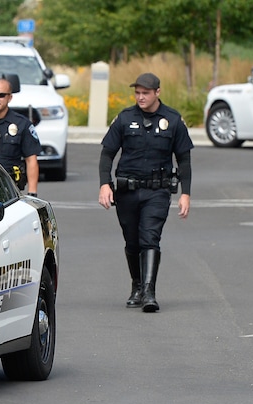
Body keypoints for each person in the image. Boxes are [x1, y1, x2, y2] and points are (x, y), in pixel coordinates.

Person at [98, 72, 193, 313]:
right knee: (132, 241)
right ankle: (137, 286)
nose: (140, 97)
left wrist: (185, 193)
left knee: (150, 237)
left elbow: (183, 159)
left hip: (157, 191)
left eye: (146, 93)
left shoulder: (172, 120)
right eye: (137, 93)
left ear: (157, 93)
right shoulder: (125, 118)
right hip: (127, 191)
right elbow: (107, 153)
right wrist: (104, 184)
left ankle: (150, 292)